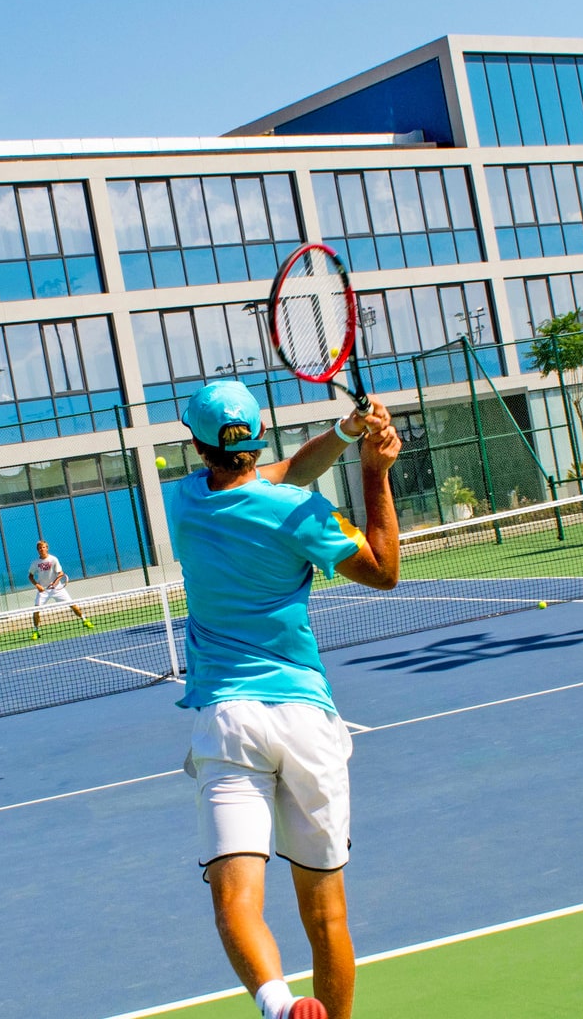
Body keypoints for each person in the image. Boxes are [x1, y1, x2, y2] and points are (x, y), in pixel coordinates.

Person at [168, 381, 402, 1019]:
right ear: (255, 437)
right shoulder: (299, 512)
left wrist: (350, 434)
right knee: (326, 915)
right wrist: (372, 471)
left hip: (228, 721)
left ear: (196, 442)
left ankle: (277, 1006)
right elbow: (383, 570)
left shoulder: (184, 501)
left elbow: (277, 471)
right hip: (306, 720)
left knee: (234, 899)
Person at [28, 540, 93, 640]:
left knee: (72, 605)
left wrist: (54, 583)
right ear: (38, 550)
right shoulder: (35, 563)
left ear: (47, 548)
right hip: (43, 591)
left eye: (44, 547)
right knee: (36, 610)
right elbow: (30, 576)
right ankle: (36, 631)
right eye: (40, 548)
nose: (42, 549)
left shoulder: (53, 559)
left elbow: (61, 573)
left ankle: (84, 620)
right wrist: (37, 585)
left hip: (57, 588)